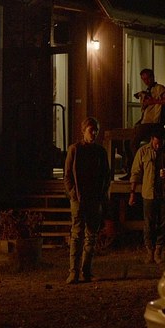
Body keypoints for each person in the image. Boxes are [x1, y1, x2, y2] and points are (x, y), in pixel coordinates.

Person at [63, 117, 110, 284]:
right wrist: (73, 194)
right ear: (83, 131)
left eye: (96, 130)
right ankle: (73, 272)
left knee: (91, 236)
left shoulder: (100, 152)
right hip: (79, 198)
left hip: (94, 199)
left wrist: (102, 194)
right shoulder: (75, 149)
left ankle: (86, 271)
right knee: (77, 234)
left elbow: (106, 175)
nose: (94, 133)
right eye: (91, 130)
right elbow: (67, 175)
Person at [128, 126, 165, 264]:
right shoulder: (143, 151)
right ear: (152, 139)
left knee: (164, 223)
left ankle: (158, 250)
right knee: (149, 223)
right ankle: (149, 251)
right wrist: (132, 193)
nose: (158, 146)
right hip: (149, 193)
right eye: (156, 143)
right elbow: (135, 173)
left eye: (161, 143)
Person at [121, 68, 165, 180]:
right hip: (145, 123)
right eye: (143, 79)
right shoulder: (148, 91)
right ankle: (131, 169)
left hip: (154, 124)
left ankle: (140, 167)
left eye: (147, 78)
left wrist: (154, 101)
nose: (146, 81)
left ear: (152, 77)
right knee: (127, 142)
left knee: (133, 143)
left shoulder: (159, 88)